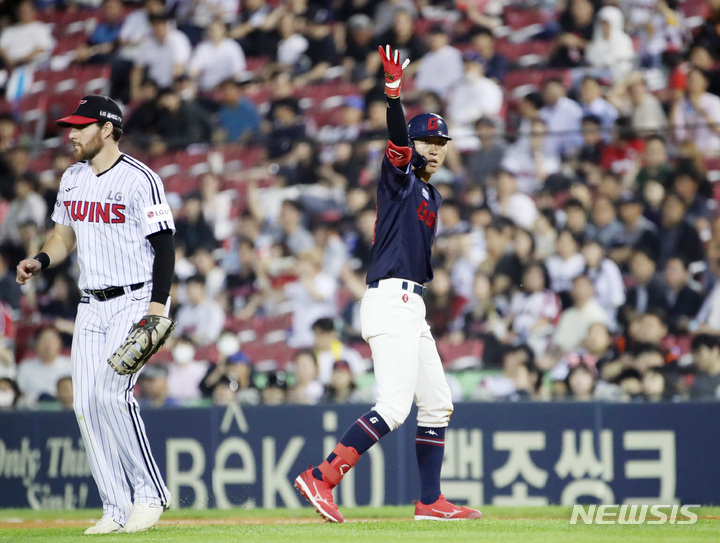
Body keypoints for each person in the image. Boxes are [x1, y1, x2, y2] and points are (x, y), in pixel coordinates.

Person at [294, 45, 482, 523]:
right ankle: (323, 476)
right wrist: (393, 96)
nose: (435, 150)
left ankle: (430, 500)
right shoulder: (398, 179)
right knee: (395, 406)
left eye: (442, 143)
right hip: (389, 299)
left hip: (410, 305)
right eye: (428, 142)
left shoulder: (431, 193)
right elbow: (398, 142)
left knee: (437, 402)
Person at [15, 95, 174, 533]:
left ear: (106, 129)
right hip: (91, 303)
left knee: (110, 394)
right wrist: (42, 260)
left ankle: (150, 495)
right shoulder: (72, 178)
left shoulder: (141, 178)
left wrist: (157, 308)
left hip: (136, 299)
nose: (71, 134)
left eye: (80, 126)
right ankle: (115, 506)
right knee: (85, 404)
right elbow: (63, 236)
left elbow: (165, 246)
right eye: (70, 126)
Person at [15, 326, 72, 405]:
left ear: (60, 343)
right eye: (44, 341)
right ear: (37, 344)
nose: (48, 346)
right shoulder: (25, 367)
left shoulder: (70, 366)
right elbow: (20, 393)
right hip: (34, 410)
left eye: (51, 341)